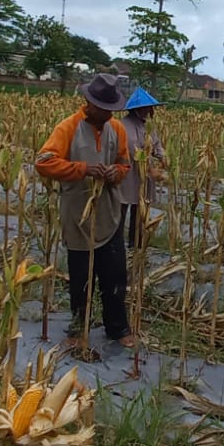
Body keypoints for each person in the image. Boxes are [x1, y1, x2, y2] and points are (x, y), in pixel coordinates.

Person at [34, 73, 137, 348]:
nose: (108, 114)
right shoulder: (68, 127)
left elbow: (124, 164)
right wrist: (83, 169)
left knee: (115, 275)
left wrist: (115, 173)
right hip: (78, 214)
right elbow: (44, 162)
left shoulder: (117, 129)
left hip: (109, 212)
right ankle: (79, 327)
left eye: (111, 110)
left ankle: (118, 327)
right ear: (89, 104)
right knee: (81, 277)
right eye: (103, 109)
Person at [117, 86, 167, 249]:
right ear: (137, 109)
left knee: (140, 209)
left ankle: (136, 242)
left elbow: (156, 144)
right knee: (122, 207)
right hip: (128, 174)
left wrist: (163, 157)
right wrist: (150, 169)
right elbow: (134, 151)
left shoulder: (147, 126)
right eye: (147, 108)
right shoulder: (124, 126)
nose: (150, 111)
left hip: (143, 177)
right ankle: (116, 243)